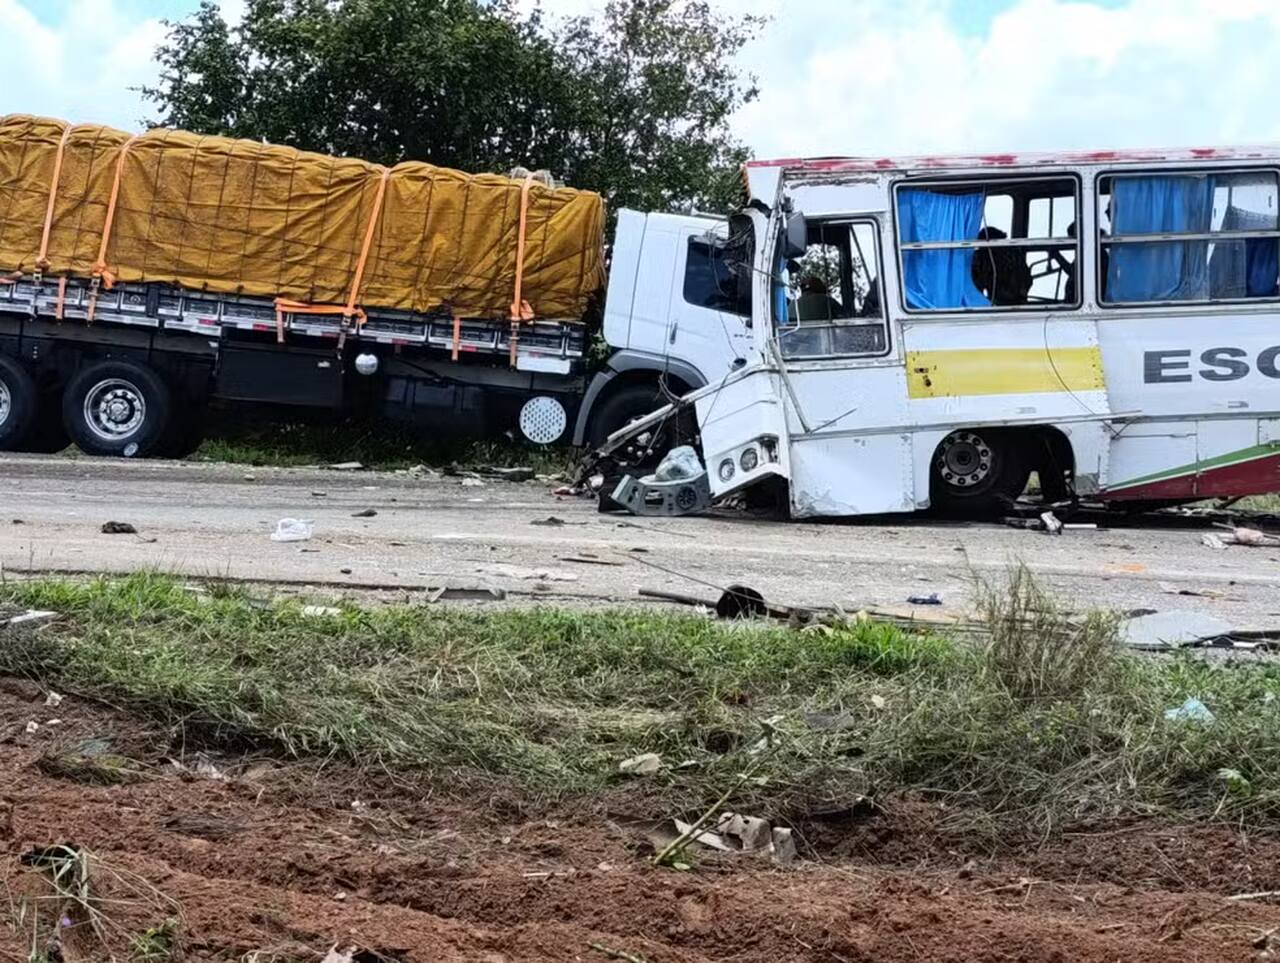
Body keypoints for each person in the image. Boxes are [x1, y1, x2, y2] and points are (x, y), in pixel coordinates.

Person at [970, 227, 1032, 306]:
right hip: (1020, 300)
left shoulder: (984, 256)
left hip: (999, 303)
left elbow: (977, 284)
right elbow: (1027, 279)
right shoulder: (1015, 252)